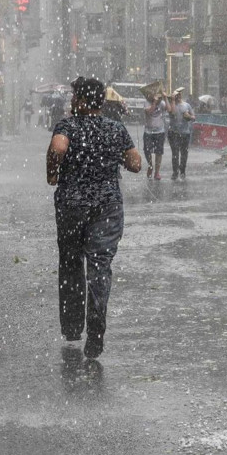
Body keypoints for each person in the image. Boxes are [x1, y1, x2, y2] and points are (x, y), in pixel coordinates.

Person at [46, 76, 142, 358]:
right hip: (108, 207)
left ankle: (74, 325)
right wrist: (114, 154)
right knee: (100, 268)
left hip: (72, 207)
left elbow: (58, 148)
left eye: (74, 97)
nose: (71, 101)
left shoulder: (67, 125)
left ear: (82, 101)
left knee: (72, 262)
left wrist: (52, 173)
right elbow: (136, 163)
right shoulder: (115, 128)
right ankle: (96, 328)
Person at [166, 87, 196, 181]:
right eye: (176, 95)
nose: (178, 97)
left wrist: (189, 117)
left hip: (185, 133)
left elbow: (194, 117)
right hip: (174, 133)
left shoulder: (187, 105)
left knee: (184, 153)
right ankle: (175, 172)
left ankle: (182, 170)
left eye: (179, 95)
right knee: (175, 154)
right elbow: (173, 113)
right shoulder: (172, 105)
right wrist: (172, 100)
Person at [143, 90, 168, 180]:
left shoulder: (162, 103)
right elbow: (149, 111)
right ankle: (150, 166)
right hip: (148, 131)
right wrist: (154, 102)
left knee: (159, 152)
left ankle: (157, 172)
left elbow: (169, 110)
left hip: (160, 131)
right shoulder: (146, 103)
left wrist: (165, 98)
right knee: (147, 151)